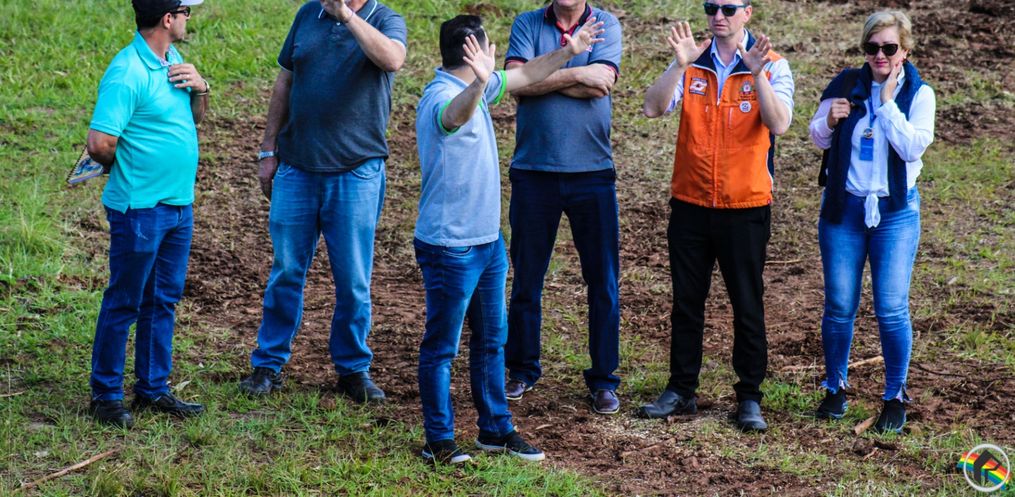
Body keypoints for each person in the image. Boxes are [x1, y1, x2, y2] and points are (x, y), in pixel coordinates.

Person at [414, 14, 604, 464]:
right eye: (487, 46)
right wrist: (481, 81)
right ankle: (438, 441)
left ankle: (495, 429)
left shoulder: (481, 86)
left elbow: (527, 74)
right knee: (442, 347)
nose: (493, 53)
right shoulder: (440, 95)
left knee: (491, 342)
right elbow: (453, 117)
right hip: (451, 247)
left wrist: (570, 51)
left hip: (487, 243)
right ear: (473, 53)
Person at [238, 0, 407, 403]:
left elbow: (392, 60)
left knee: (353, 279)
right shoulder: (307, 15)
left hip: (356, 171)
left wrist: (347, 17)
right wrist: (268, 149)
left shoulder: (385, 19)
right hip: (296, 167)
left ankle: (353, 369)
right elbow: (285, 81)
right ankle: (268, 364)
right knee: (286, 271)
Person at [639, 0, 794, 431]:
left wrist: (757, 74)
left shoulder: (772, 64)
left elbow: (779, 123)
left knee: (747, 305)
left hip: (745, 207)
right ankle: (681, 390)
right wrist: (678, 64)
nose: (718, 16)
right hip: (690, 204)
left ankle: (749, 397)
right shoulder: (693, 60)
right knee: (687, 303)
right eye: (711, 7)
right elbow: (652, 107)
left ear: (748, 12)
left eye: (728, 8)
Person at [85, 0, 210, 428]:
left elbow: (194, 120)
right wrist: (130, 165)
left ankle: (153, 388)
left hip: (177, 205)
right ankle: (105, 396)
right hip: (139, 208)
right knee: (125, 301)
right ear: (168, 18)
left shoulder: (173, 61)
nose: (190, 18)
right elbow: (100, 142)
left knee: (163, 300)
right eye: (186, 11)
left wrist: (201, 88)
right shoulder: (127, 71)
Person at [809, 10, 934, 434]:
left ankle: (895, 395)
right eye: (872, 47)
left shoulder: (919, 94)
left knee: (891, 307)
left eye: (889, 48)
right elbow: (817, 137)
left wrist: (887, 105)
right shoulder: (845, 84)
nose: (880, 55)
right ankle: (835, 388)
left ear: (905, 51)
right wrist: (829, 120)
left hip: (894, 212)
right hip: (843, 209)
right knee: (839, 305)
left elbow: (913, 148)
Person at [502, 0, 625, 415]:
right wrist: (575, 71)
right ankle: (522, 369)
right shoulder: (527, 23)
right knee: (526, 279)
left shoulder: (605, 23)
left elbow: (601, 84)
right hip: (533, 171)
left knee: (603, 281)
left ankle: (604, 379)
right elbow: (515, 84)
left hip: (593, 173)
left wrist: (541, 74)